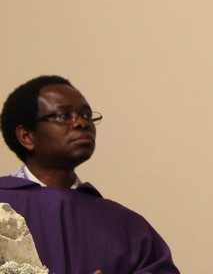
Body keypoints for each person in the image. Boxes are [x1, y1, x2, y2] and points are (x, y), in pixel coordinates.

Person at [0, 75, 179, 274]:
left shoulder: (126, 225)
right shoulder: (3, 203)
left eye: (86, 115)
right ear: (27, 136)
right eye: (63, 116)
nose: (81, 123)